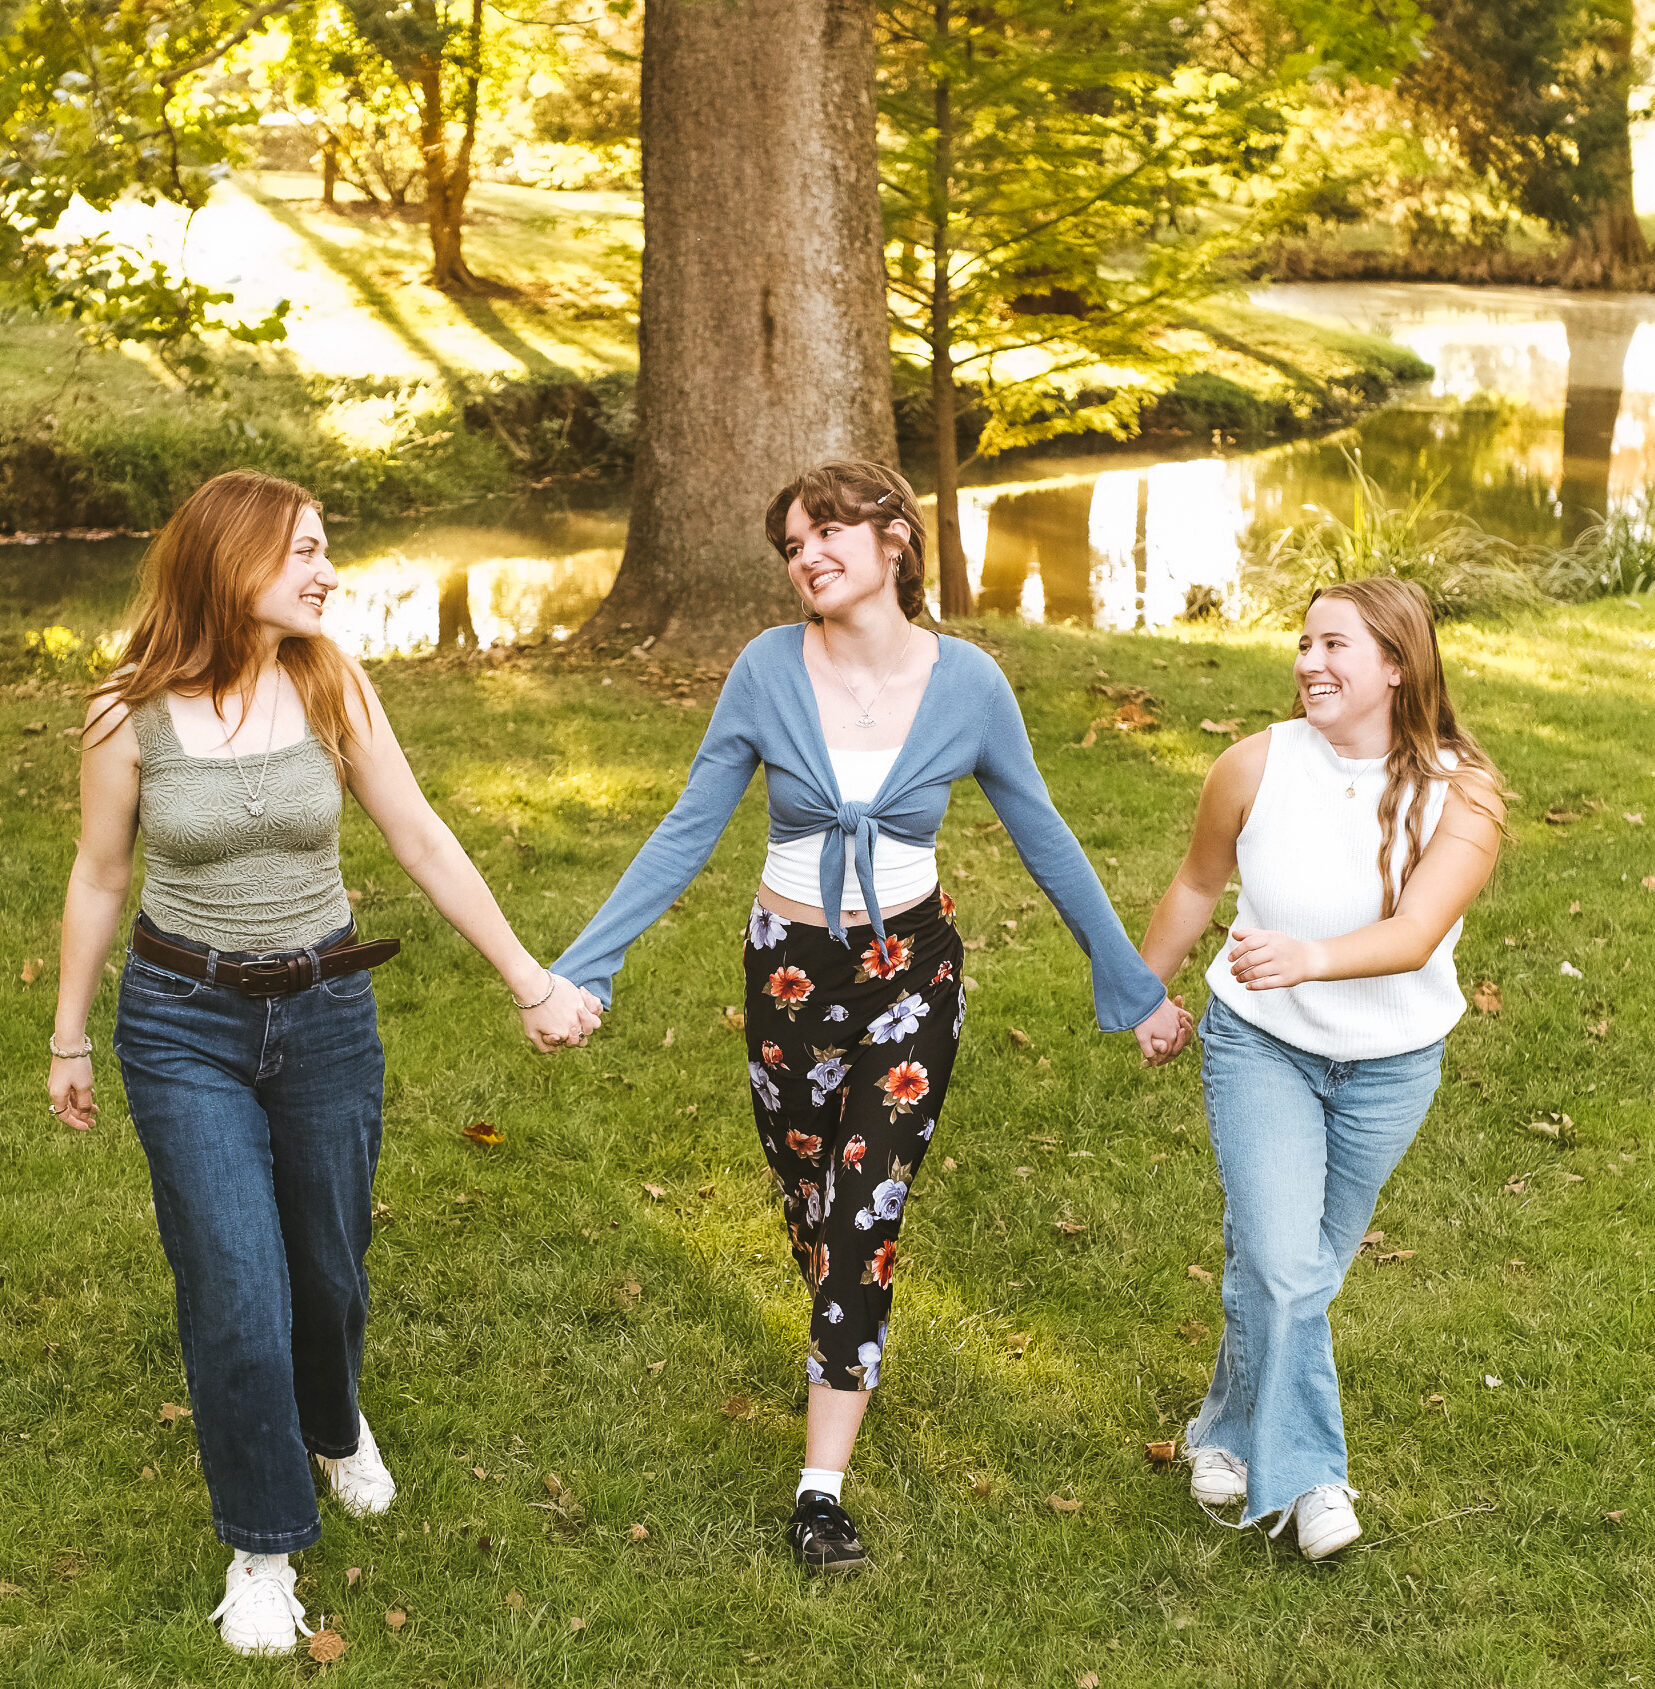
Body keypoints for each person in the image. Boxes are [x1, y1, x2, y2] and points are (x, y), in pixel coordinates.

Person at [546, 460, 1190, 1574]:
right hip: (786, 978)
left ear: (896, 536)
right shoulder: (763, 669)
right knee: (813, 1203)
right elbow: (686, 828)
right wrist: (585, 969)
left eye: (825, 531)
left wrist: (1129, 985)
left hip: (912, 977)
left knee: (860, 1214)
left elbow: (1043, 834)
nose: (805, 556)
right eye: (791, 544)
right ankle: (846, 1338)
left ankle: (819, 1492)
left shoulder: (970, 683)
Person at [46, 470, 600, 1654]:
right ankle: (261, 1546)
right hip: (182, 1022)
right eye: (303, 550)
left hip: (326, 1015)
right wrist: (70, 1035)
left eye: (326, 549)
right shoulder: (123, 712)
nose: (326, 571)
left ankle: (336, 1423)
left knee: (329, 1268)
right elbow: (99, 877)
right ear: (231, 559)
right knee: (237, 1290)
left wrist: (529, 978)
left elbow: (418, 832)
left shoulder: (330, 681)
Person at [1139, 576, 1505, 1560]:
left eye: (1334, 645)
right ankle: (1313, 1484)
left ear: (1394, 665)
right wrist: (1144, 991)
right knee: (1277, 1261)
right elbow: (1194, 882)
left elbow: (1418, 931)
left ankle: (1222, 1429)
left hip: (1388, 1069)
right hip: (1261, 1044)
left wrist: (1310, 955)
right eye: (1303, 643)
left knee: (1298, 1275)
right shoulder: (1251, 766)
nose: (1308, 662)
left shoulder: (1461, 793)